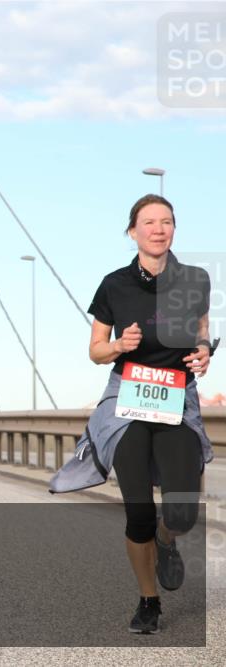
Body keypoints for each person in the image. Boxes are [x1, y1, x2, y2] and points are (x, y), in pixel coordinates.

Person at [50, 194, 215, 635]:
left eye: (166, 221)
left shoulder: (196, 279)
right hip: (128, 402)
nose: (158, 229)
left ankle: (166, 538)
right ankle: (148, 600)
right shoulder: (114, 285)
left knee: (181, 513)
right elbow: (95, 350)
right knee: (138, 512)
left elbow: (202, 331)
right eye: (149, 222)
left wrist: (203, 352)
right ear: (132, 231)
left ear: (174, 229)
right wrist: (118, 346)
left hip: (175, 399)